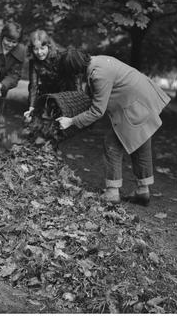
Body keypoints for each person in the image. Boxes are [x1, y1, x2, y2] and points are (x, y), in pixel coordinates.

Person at [57, 49, 170, 206]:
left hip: (136, 104)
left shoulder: (98, 75)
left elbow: (97, 111)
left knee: (112, 144)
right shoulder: (98, 61)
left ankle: (112, 192)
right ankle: (142, 191)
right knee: (142, 141)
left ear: (75, 69)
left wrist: (71, 121)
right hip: (143, 97)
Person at [23, 30, 78, 122]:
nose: (39, 53)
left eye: (42, 48)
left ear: (49, 46)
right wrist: (31, 107)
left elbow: (74, 79)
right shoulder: (33, 61)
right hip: (47, 89)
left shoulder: (61, 55)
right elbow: (33, 85)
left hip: (65, 89)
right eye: (36, 49)